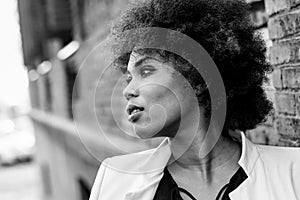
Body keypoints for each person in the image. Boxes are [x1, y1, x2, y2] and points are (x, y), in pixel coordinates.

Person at [89, 0, 300, 199]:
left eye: (145, 71)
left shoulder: (292, 173)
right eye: (128, 79)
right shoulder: (114, 181)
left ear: (197, 73)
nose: (127, 90)